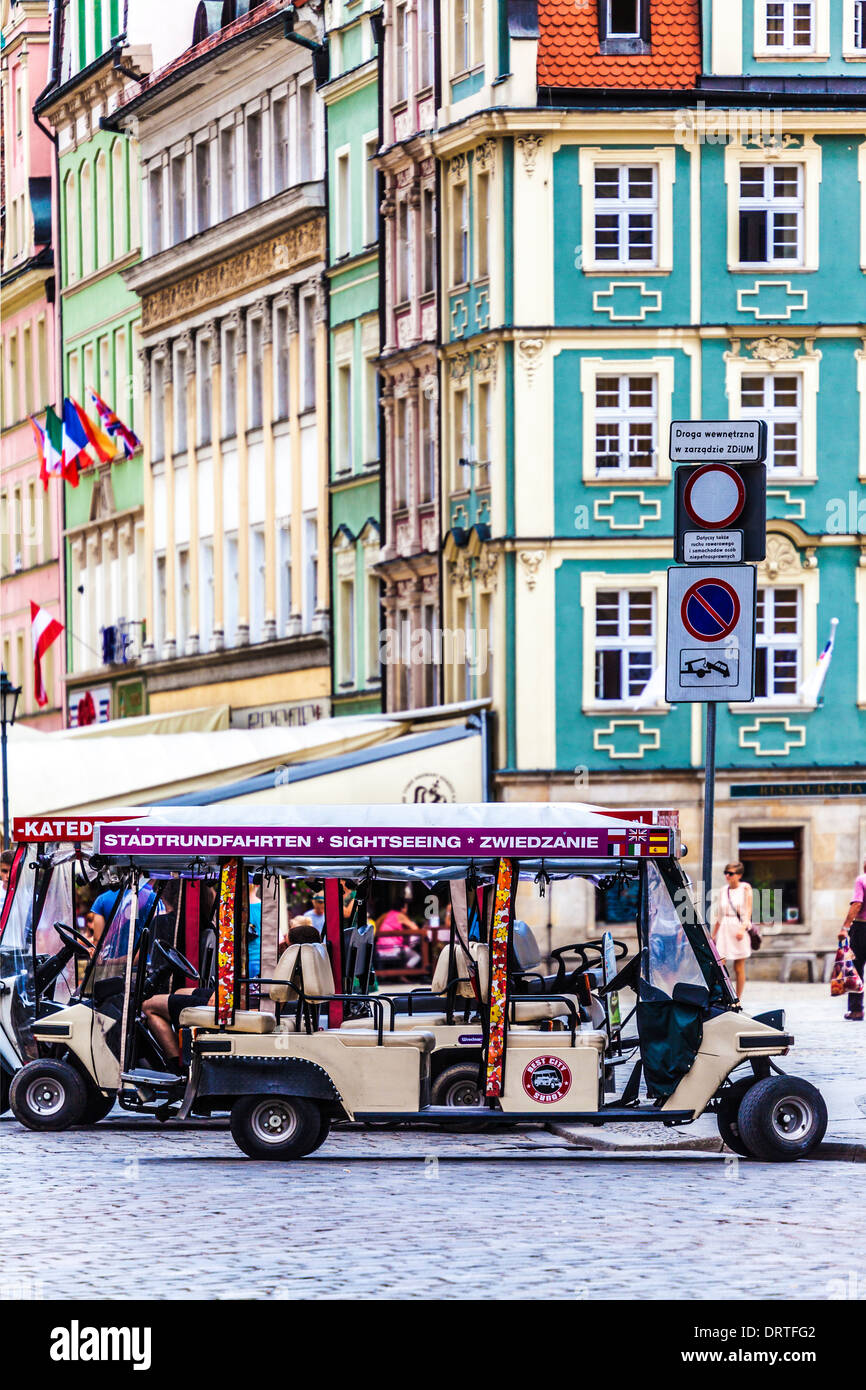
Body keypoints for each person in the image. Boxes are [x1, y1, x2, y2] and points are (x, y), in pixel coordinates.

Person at [712, 861, 752, 1000]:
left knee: (739, 967)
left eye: (731, 873)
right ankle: (723, 995)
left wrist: (742, 929)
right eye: (726, 873)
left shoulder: (745, 888)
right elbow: (719, 915)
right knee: (720, 965)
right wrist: (713, 935)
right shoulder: (723, 890)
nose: (727, 876)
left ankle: (738, 999)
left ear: (739, 875)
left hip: (738, 928)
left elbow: (748, 913)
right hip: (724, 928)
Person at [839, 857, 866, 1022]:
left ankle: (856, 1010)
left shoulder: (862, 879)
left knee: (856, 969)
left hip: (862, 928)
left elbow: (857, 904)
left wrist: (845, 927)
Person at [374, 904, 425, 972]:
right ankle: (403, 973)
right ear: (402, 909)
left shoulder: (387, 915)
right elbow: (415, 929)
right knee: (416, 956)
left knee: (406, 950)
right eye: (406, 908)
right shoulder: (400, 915)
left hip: (380, 948)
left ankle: (399, 975)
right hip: (393, 948)